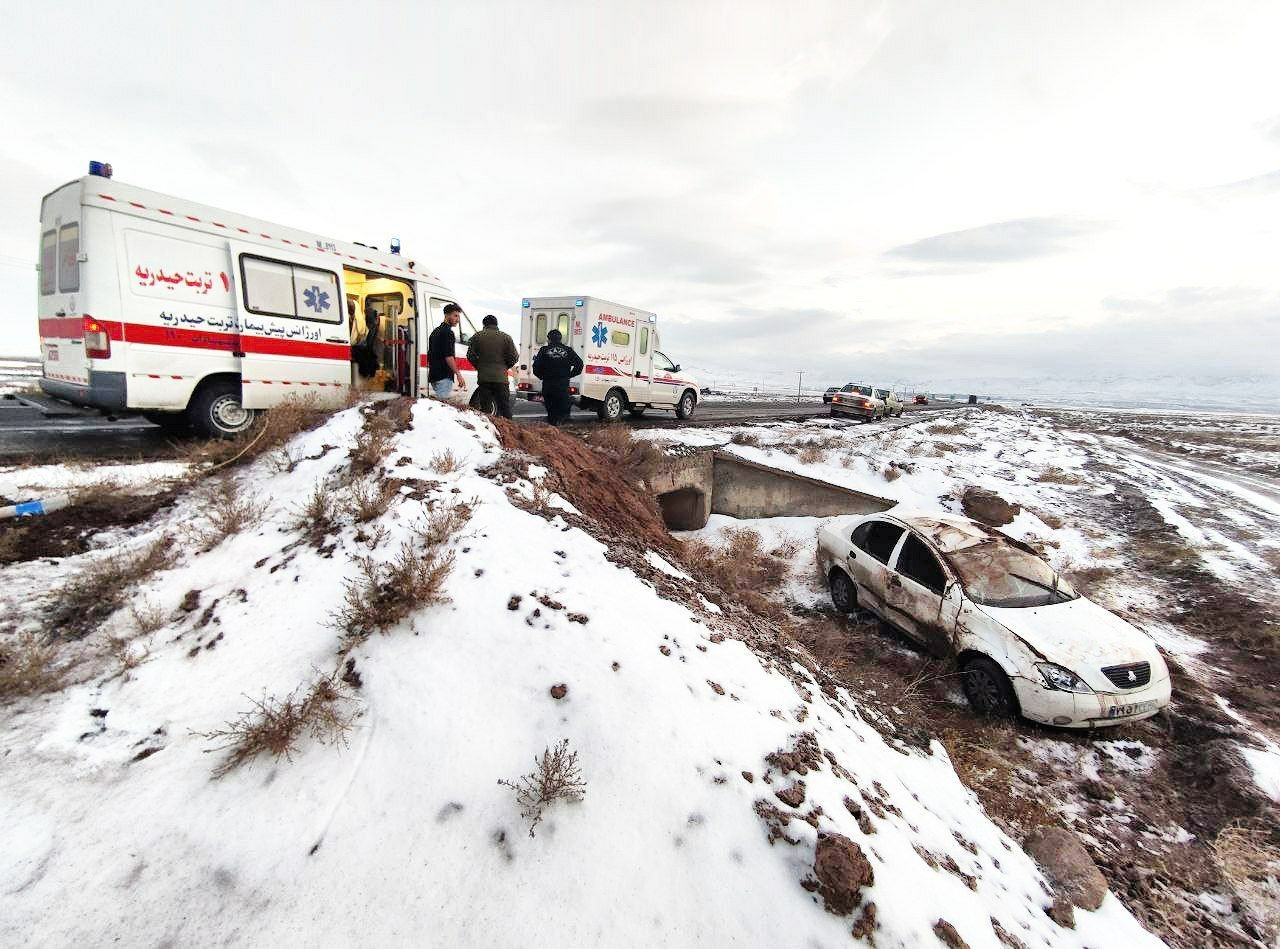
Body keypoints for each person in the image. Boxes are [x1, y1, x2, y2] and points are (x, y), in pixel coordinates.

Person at [465, 314, 518, 418]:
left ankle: (489, 431)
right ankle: (508, 431)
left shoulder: (477, 336)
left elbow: (470, 355)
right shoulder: (506, 338)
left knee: (486, 410)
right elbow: (515, 357)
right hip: (501, 380)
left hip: (484, 379)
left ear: (484, 324)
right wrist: (504, 367)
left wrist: (479, 366)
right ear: (496, 324)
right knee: (505, 408)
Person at [532, 328, 583, 425]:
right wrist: (570, 375)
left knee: (551, 410)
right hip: (562, 384)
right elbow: (580, 364)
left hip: (548, 384)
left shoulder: (544, 350)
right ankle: (560, 427)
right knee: (561, 409)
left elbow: (536, 367)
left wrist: (542, 376)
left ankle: (552, 426)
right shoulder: (568, 350)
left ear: (549, 339)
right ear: (560, 339)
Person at [427, 303, 468, 399]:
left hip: (434, 376)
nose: (458, 320)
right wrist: (458, 375)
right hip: (444, 376)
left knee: (439, 405)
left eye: (458, 316)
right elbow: (448, 356)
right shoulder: (448, 333)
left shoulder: (435, 331)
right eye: (455, 316)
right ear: (446, 315)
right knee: (441, 407)